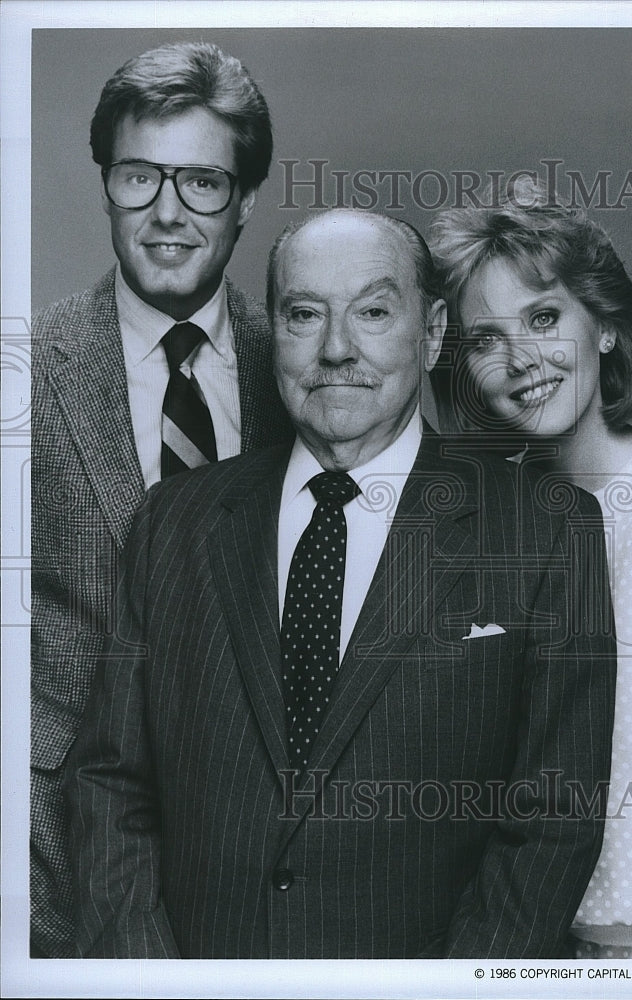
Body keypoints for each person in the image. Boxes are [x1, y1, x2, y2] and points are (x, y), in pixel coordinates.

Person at [65, 208, 617, 959]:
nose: (336, 349)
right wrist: (152, 977)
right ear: (273, 336)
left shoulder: (545, 529)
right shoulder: (176, 521)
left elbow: (554, 814)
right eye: (303, 315)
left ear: (430, 335)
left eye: (374, 312)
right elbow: (108, 783)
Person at [429, 178, 632, 959]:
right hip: (548, 954)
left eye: (543, 318)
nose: (522, 360)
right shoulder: (498, 538)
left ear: (602, 324)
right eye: (486, 339)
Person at [31, 41, 292, 957]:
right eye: (140, 176)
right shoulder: (24, 369)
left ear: (247, 200)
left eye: (203, 184)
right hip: (50, 864)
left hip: (260, 865)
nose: (169, 213)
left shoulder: (304, 370)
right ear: (105, 184)